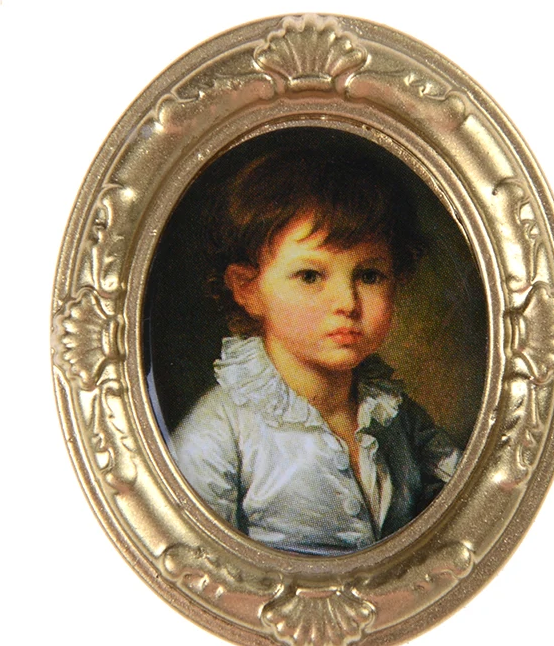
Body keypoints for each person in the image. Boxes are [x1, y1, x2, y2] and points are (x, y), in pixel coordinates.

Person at [170, 143, 461, 556]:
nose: (347, 302)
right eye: (310, 276)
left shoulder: (398, 417)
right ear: (248, 288)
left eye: (369, 275)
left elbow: (465, 513)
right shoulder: (218, 432)